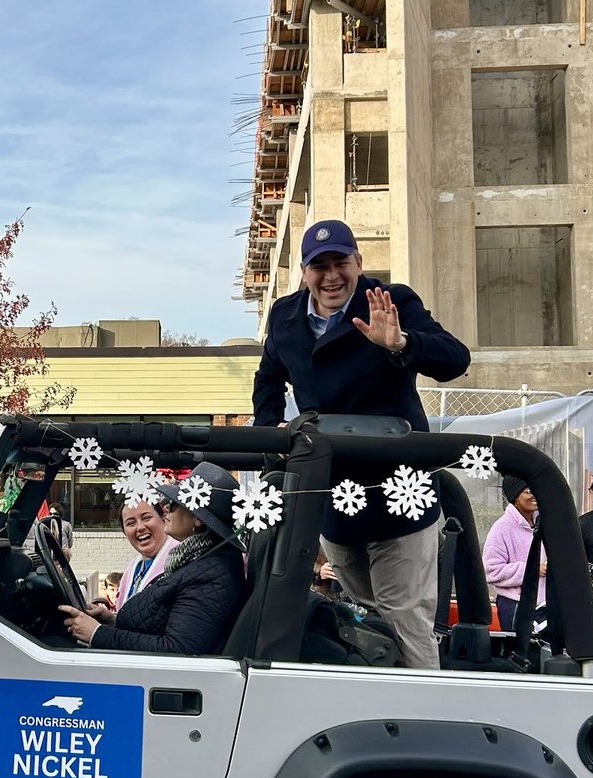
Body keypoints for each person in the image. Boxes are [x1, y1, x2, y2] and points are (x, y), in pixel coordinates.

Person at [252, 219, 470, 670]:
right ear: (304, 273)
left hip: (397, 490)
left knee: (403, 614)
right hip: (333, 491)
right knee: (362, 616)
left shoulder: (391, 301)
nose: (331, 276)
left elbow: (454, 359)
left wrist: (402, 343)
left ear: (359, 263)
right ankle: (372, 693)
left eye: (341, 263)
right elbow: (268, 376)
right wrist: (270, 430)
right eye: (320, 266)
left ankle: (423, 705)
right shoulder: (286, 317)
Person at [60, 462, 246, 656]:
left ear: (198, 519)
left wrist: (97, 633)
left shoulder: (210, 574)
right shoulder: (196, 559)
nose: (166, 507)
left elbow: (177, 650)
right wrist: (112, 621)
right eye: (130, 523)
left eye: (175, 504)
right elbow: (164, 623)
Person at [482, 476, 547, 632]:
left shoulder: (543, 524)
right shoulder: (501, 528)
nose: (534, 495)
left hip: (544, 606)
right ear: (515, 497)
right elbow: (491, 571)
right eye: (528, 491)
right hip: (515, 606)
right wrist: (532, 570)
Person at [114, 500, 177, 610]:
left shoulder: (182, 562)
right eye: (131, 523)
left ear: (163, 518)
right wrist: (109, 618)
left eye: (146, 518)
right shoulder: (133, 567)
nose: (140, 527)